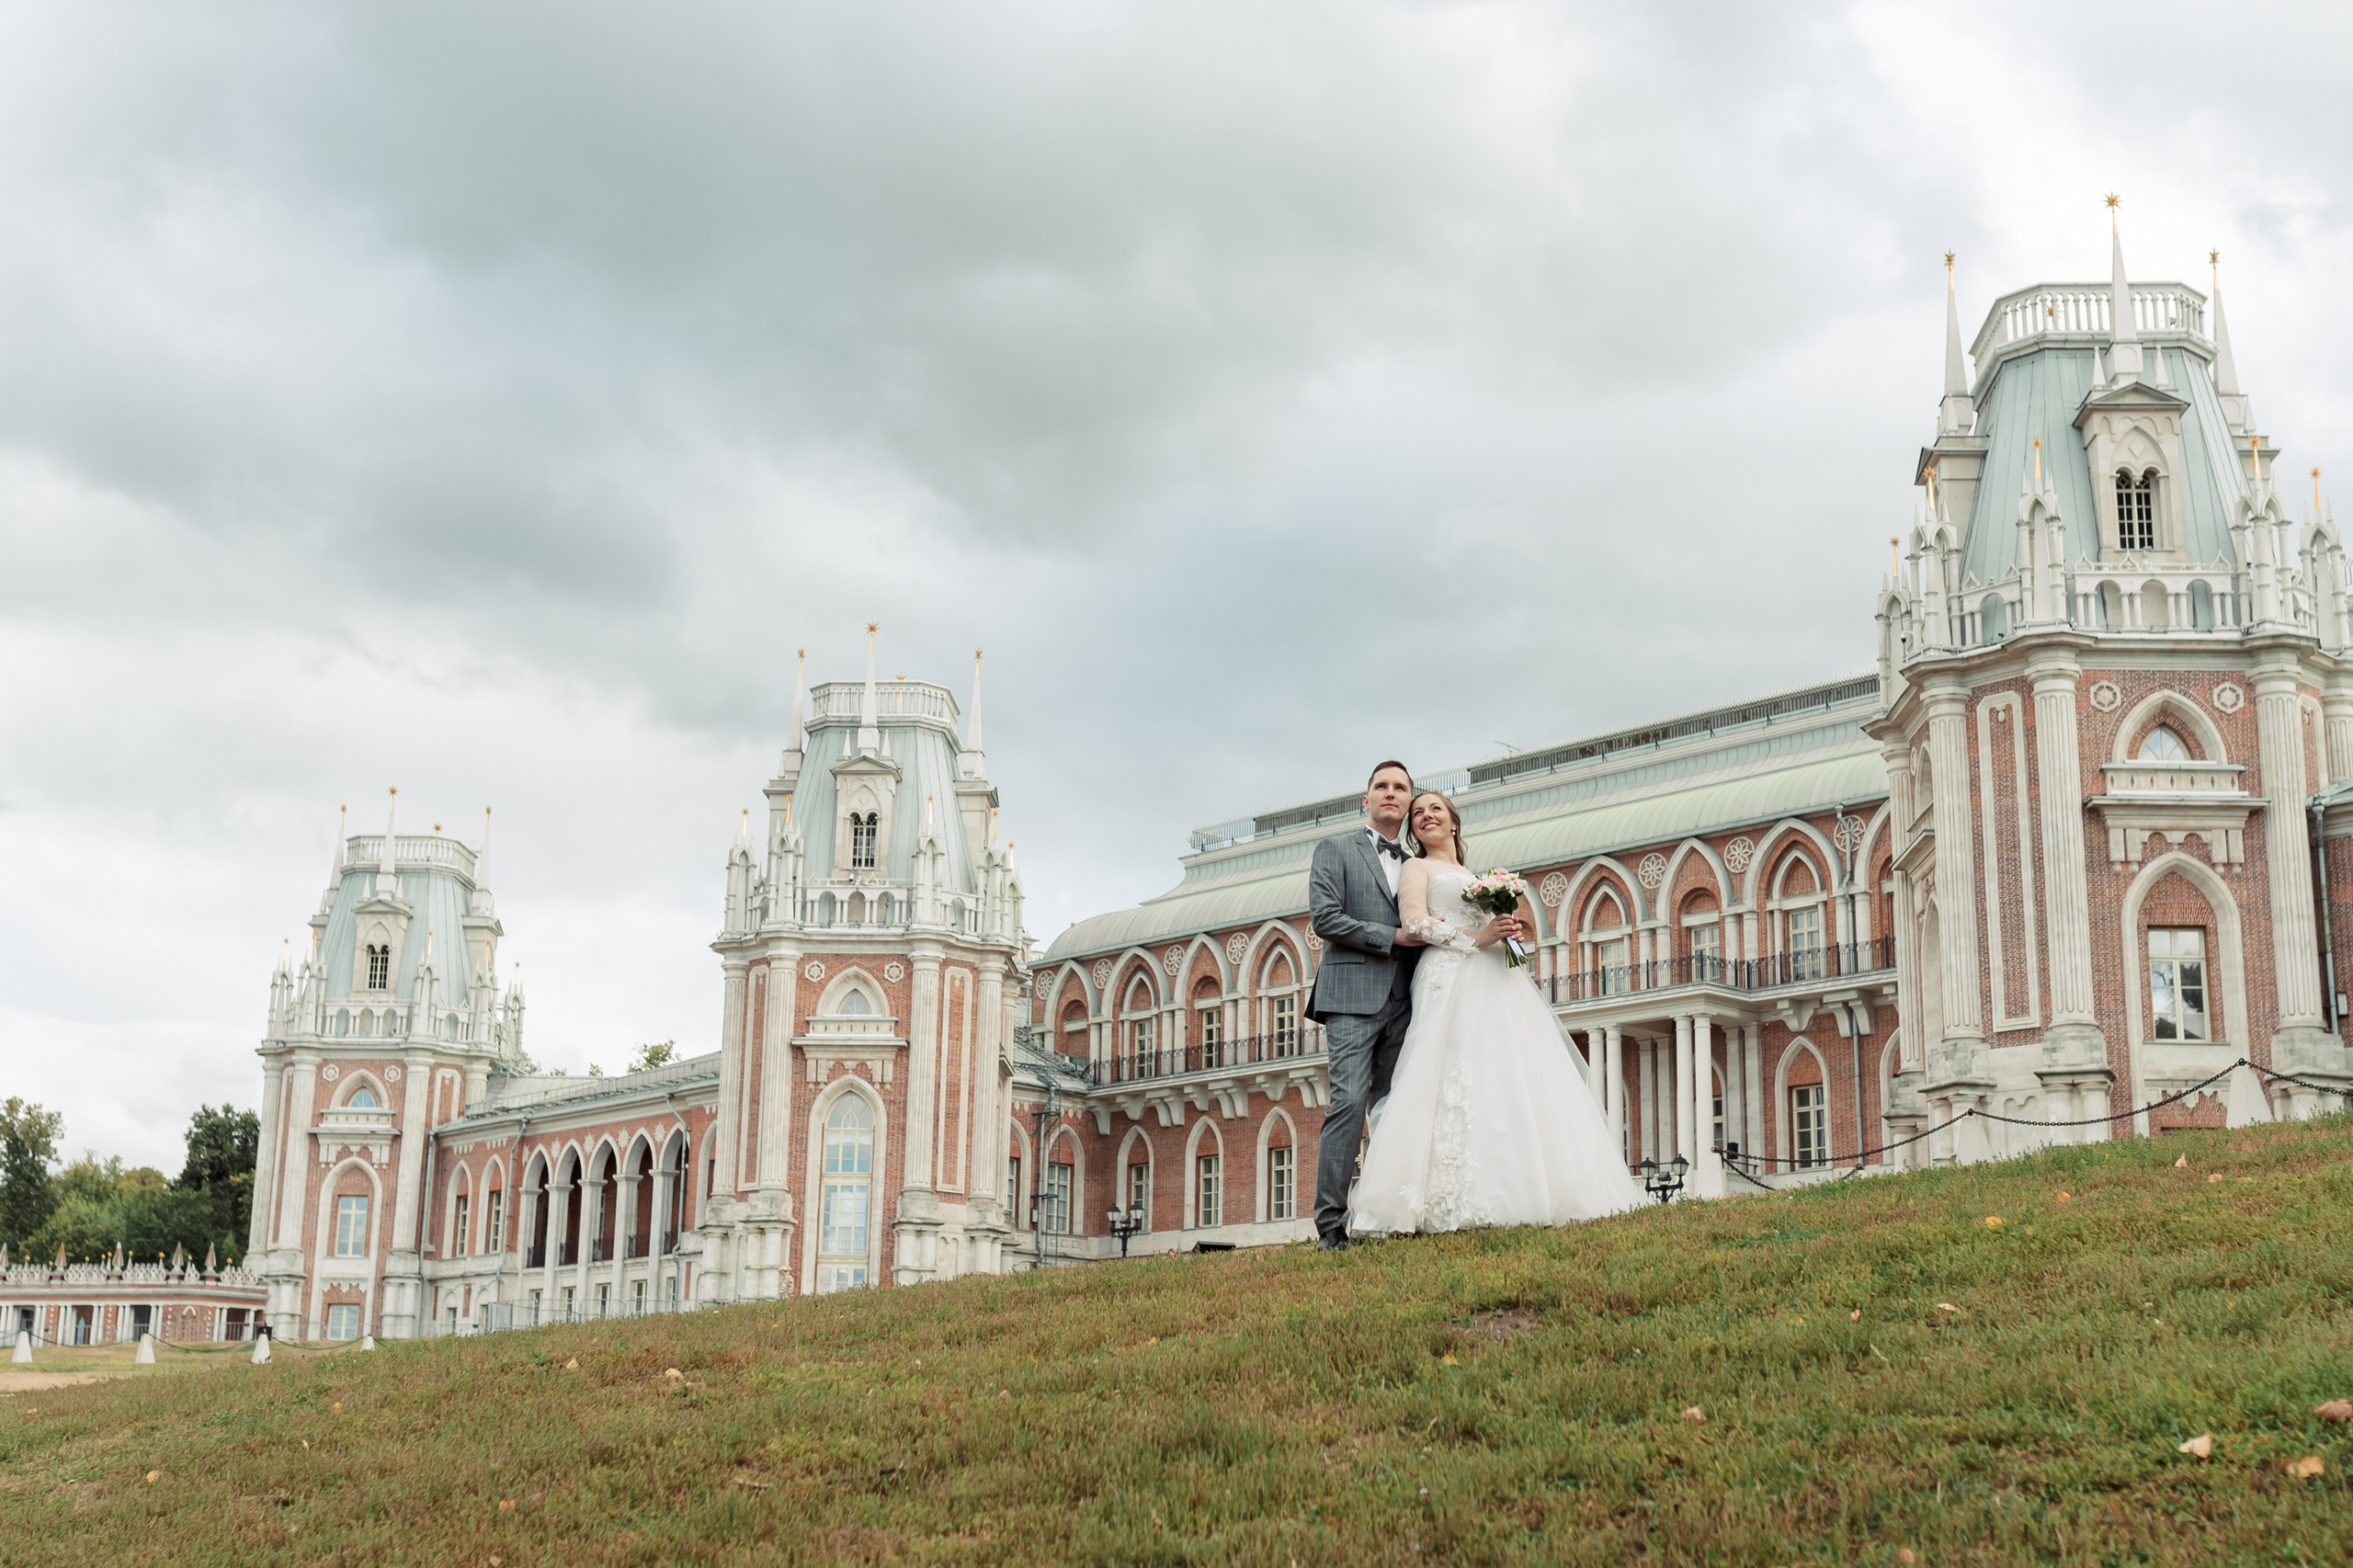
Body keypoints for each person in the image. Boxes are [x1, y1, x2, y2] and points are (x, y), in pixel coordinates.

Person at [1348, 790, 1642, 1234]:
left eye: (1436, 810)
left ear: (1453, 823)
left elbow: (1495, 937)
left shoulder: (1475, 876)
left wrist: (1508, 936)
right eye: (1419, 813)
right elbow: (1414, 923)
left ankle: (1524, 1186)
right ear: (1414, 830)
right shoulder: (1417, 867)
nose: (1426, 816)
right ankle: (1439, 1199)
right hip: (1449, 976)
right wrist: (1477, 937)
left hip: (1494, 978)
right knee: (1449, 1073)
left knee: (1505, 1076)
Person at [1303, 760, 1425, 1251]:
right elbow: (1326, 918)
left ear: (1410, 801)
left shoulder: (1420, 860)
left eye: (1400, 787)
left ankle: (1383, 1212)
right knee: (1349, 1102)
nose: (1390, 793)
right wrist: (1390, 935)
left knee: (1396, 1107)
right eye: (1382, 786)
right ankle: (1330, 1225)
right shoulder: (1335, 849)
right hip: (1352, 997)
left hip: (1408, 998)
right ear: (1366, 799)